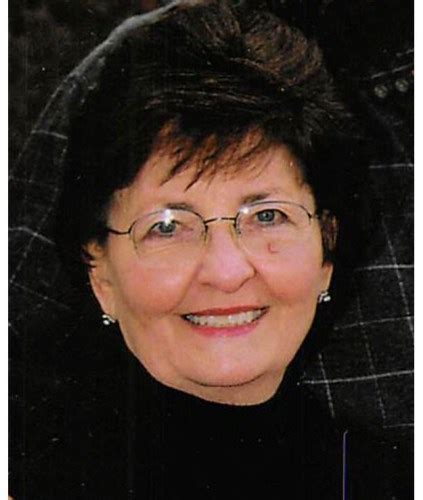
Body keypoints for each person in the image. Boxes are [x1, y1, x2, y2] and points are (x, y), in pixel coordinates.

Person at [9, 0, 411, 498]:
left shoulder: (381, 475)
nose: (226, 271)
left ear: (327, 250)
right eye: (167, 227)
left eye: (268, 216)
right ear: (99, 270)